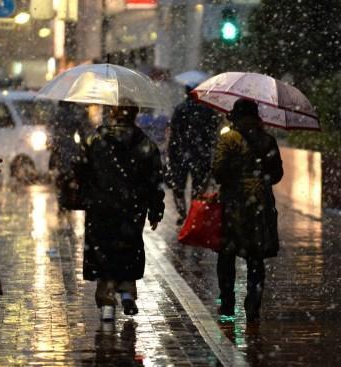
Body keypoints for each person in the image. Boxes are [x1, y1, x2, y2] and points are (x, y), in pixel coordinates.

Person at [73, 102, 165, 321]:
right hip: (132, 208)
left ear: (113, 114)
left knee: (103, 251)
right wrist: (155, 209)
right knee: (128, 248)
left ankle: (106, 300)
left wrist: (89, 190)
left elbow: (79, 167)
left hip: (101, 206)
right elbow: (156, 180)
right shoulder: (146, 145)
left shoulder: (95, 140)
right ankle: (127, 292)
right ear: (135, 116)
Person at [212, 98, 283, 322]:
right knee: (255, 257)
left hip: (233, 204)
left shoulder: (229, 139)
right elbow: (277, 175)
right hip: (260, 204)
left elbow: (218, 171)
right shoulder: (267, 139)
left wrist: (235, 175)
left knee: (227, 255)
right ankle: (253, 305)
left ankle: (227, 304)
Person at [166, 85, 219, 225]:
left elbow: (174, 133)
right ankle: (194, 213)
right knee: (199, 187)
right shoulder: (208, 110)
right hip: (201, 155)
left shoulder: (180, 109)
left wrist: (171, 154)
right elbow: (214, 134)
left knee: (178, 186)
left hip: (180, 153)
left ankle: (182, 212)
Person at [48, 101, 90, 211]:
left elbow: (51, 130)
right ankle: (68, 200)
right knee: (70, 174)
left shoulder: (56, 114)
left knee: (61, 175)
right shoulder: (74, 114)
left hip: (59, 148)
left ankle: (62, 201)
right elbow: (81, 132)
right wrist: (85, 146)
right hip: (71, 148)